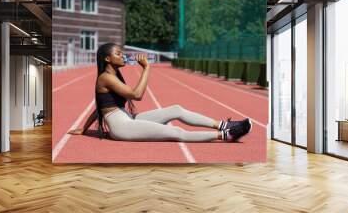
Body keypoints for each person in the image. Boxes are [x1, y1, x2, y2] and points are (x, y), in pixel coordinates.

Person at [68, 43, 252, 142]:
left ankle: (221, 125)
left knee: (176, 109)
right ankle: (227, 134)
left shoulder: (112, 76)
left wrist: (84, 129)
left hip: (128, 119)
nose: (122, 55)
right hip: (122, 127)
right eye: (118, 53)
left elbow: (99, 108)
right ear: (107, 58)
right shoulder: (105, 78)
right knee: (176, 133)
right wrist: (146, 68)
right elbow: (137, 95)